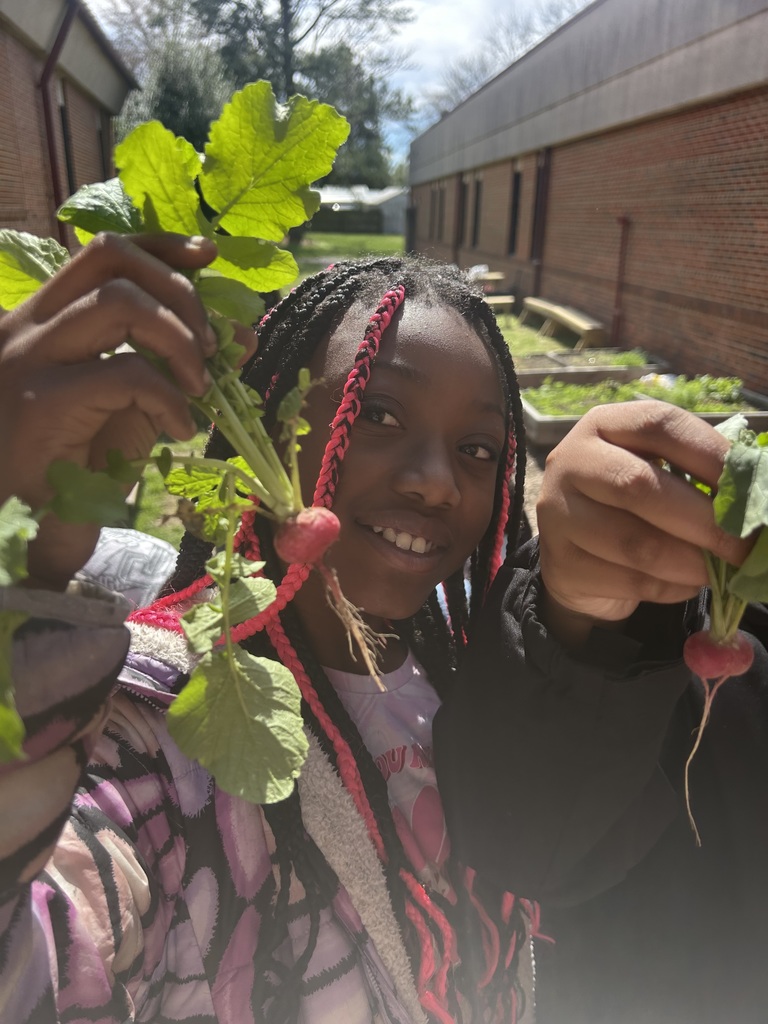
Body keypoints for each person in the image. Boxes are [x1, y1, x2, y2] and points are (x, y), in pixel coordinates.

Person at [0, 231, 761, 1024]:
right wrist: (25, 578)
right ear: (267, 427)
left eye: (476, 449)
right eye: (380, 414)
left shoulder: (481, 676)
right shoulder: (155, 735)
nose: (437, 482)